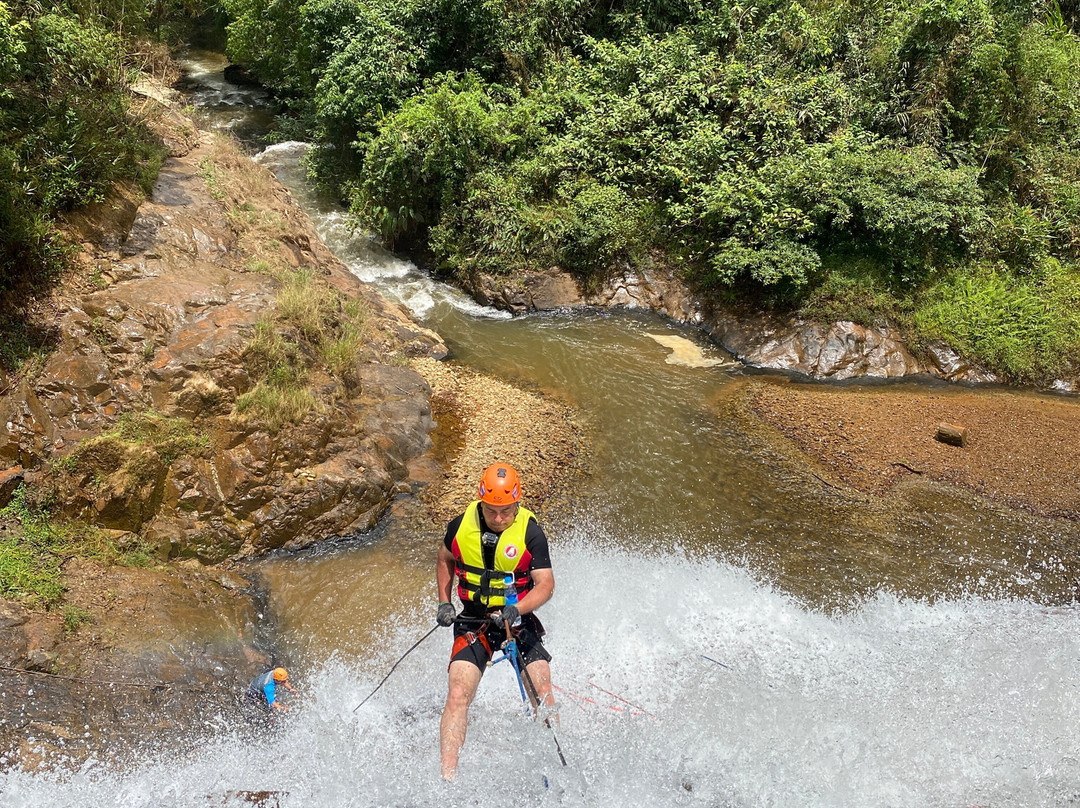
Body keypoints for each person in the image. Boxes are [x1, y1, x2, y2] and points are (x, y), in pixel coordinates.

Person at [435, 463, 556, 781]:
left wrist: (518, 609)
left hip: (517, 621)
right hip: (474, 622)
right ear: (481, 503)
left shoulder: (531, 533)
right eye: (492, 512)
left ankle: (554, 762)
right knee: (458, 693)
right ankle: (448, 779)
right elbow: (445, 558)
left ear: (517, 502)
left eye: (506, 511)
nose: (500, 518)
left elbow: (545, 584)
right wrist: (444, 602)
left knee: (542, 689)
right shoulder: (460, 526)